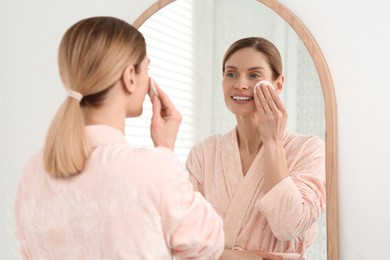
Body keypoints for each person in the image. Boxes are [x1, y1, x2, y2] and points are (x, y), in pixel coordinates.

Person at [14, 16, 224, 260]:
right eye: (147, 68)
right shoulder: (151, 168)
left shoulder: (33, 170)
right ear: (130, 76)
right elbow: (207, 244)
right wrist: (166, 149)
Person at [186, 37, 325, 260]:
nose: (240, 84)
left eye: (254, 75)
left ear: (278, 85)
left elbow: (288, 225)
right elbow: (186, 239)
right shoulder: (204, 153)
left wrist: (273, 143)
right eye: (231, 74)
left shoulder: (308, 150)